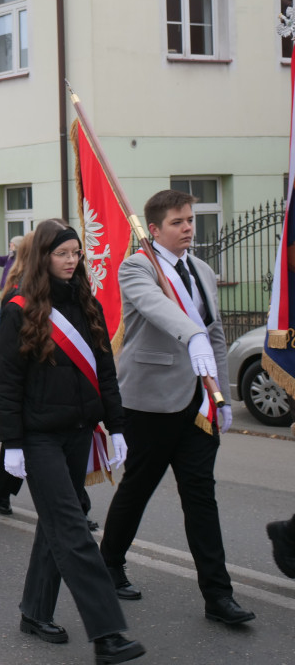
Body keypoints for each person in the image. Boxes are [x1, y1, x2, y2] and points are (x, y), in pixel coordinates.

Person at [99, 190, 255, 626]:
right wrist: (193, 336)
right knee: (139, 486)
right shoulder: (137, 268)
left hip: (197, 402)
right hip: (150, 401)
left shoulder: (202, 270)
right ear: (153, 229)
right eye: (178, 222)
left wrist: (221, 394)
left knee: (201, 495)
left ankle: (218, 597)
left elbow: (216, 333)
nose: (188, 228)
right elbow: (155, 309)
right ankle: (109, 561)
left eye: (191, 220)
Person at [0, 219, 145, 663]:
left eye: (76, 253)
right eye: (63, 253)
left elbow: (105, 372)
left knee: (60, 522)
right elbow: (7, 384)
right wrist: (13, 443)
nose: (71, 260)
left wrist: (116, 427)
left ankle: (35, 611)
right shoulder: (18, 309)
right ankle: (108, 634)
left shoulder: (86, 304)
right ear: (43, 256)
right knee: (74, 527)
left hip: (80, 432)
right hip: (38, 437)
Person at [0, 231, 35, 516]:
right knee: (18, 441)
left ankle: (78, 506)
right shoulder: (16, 290)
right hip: (26, 377)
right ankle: (2, 490)